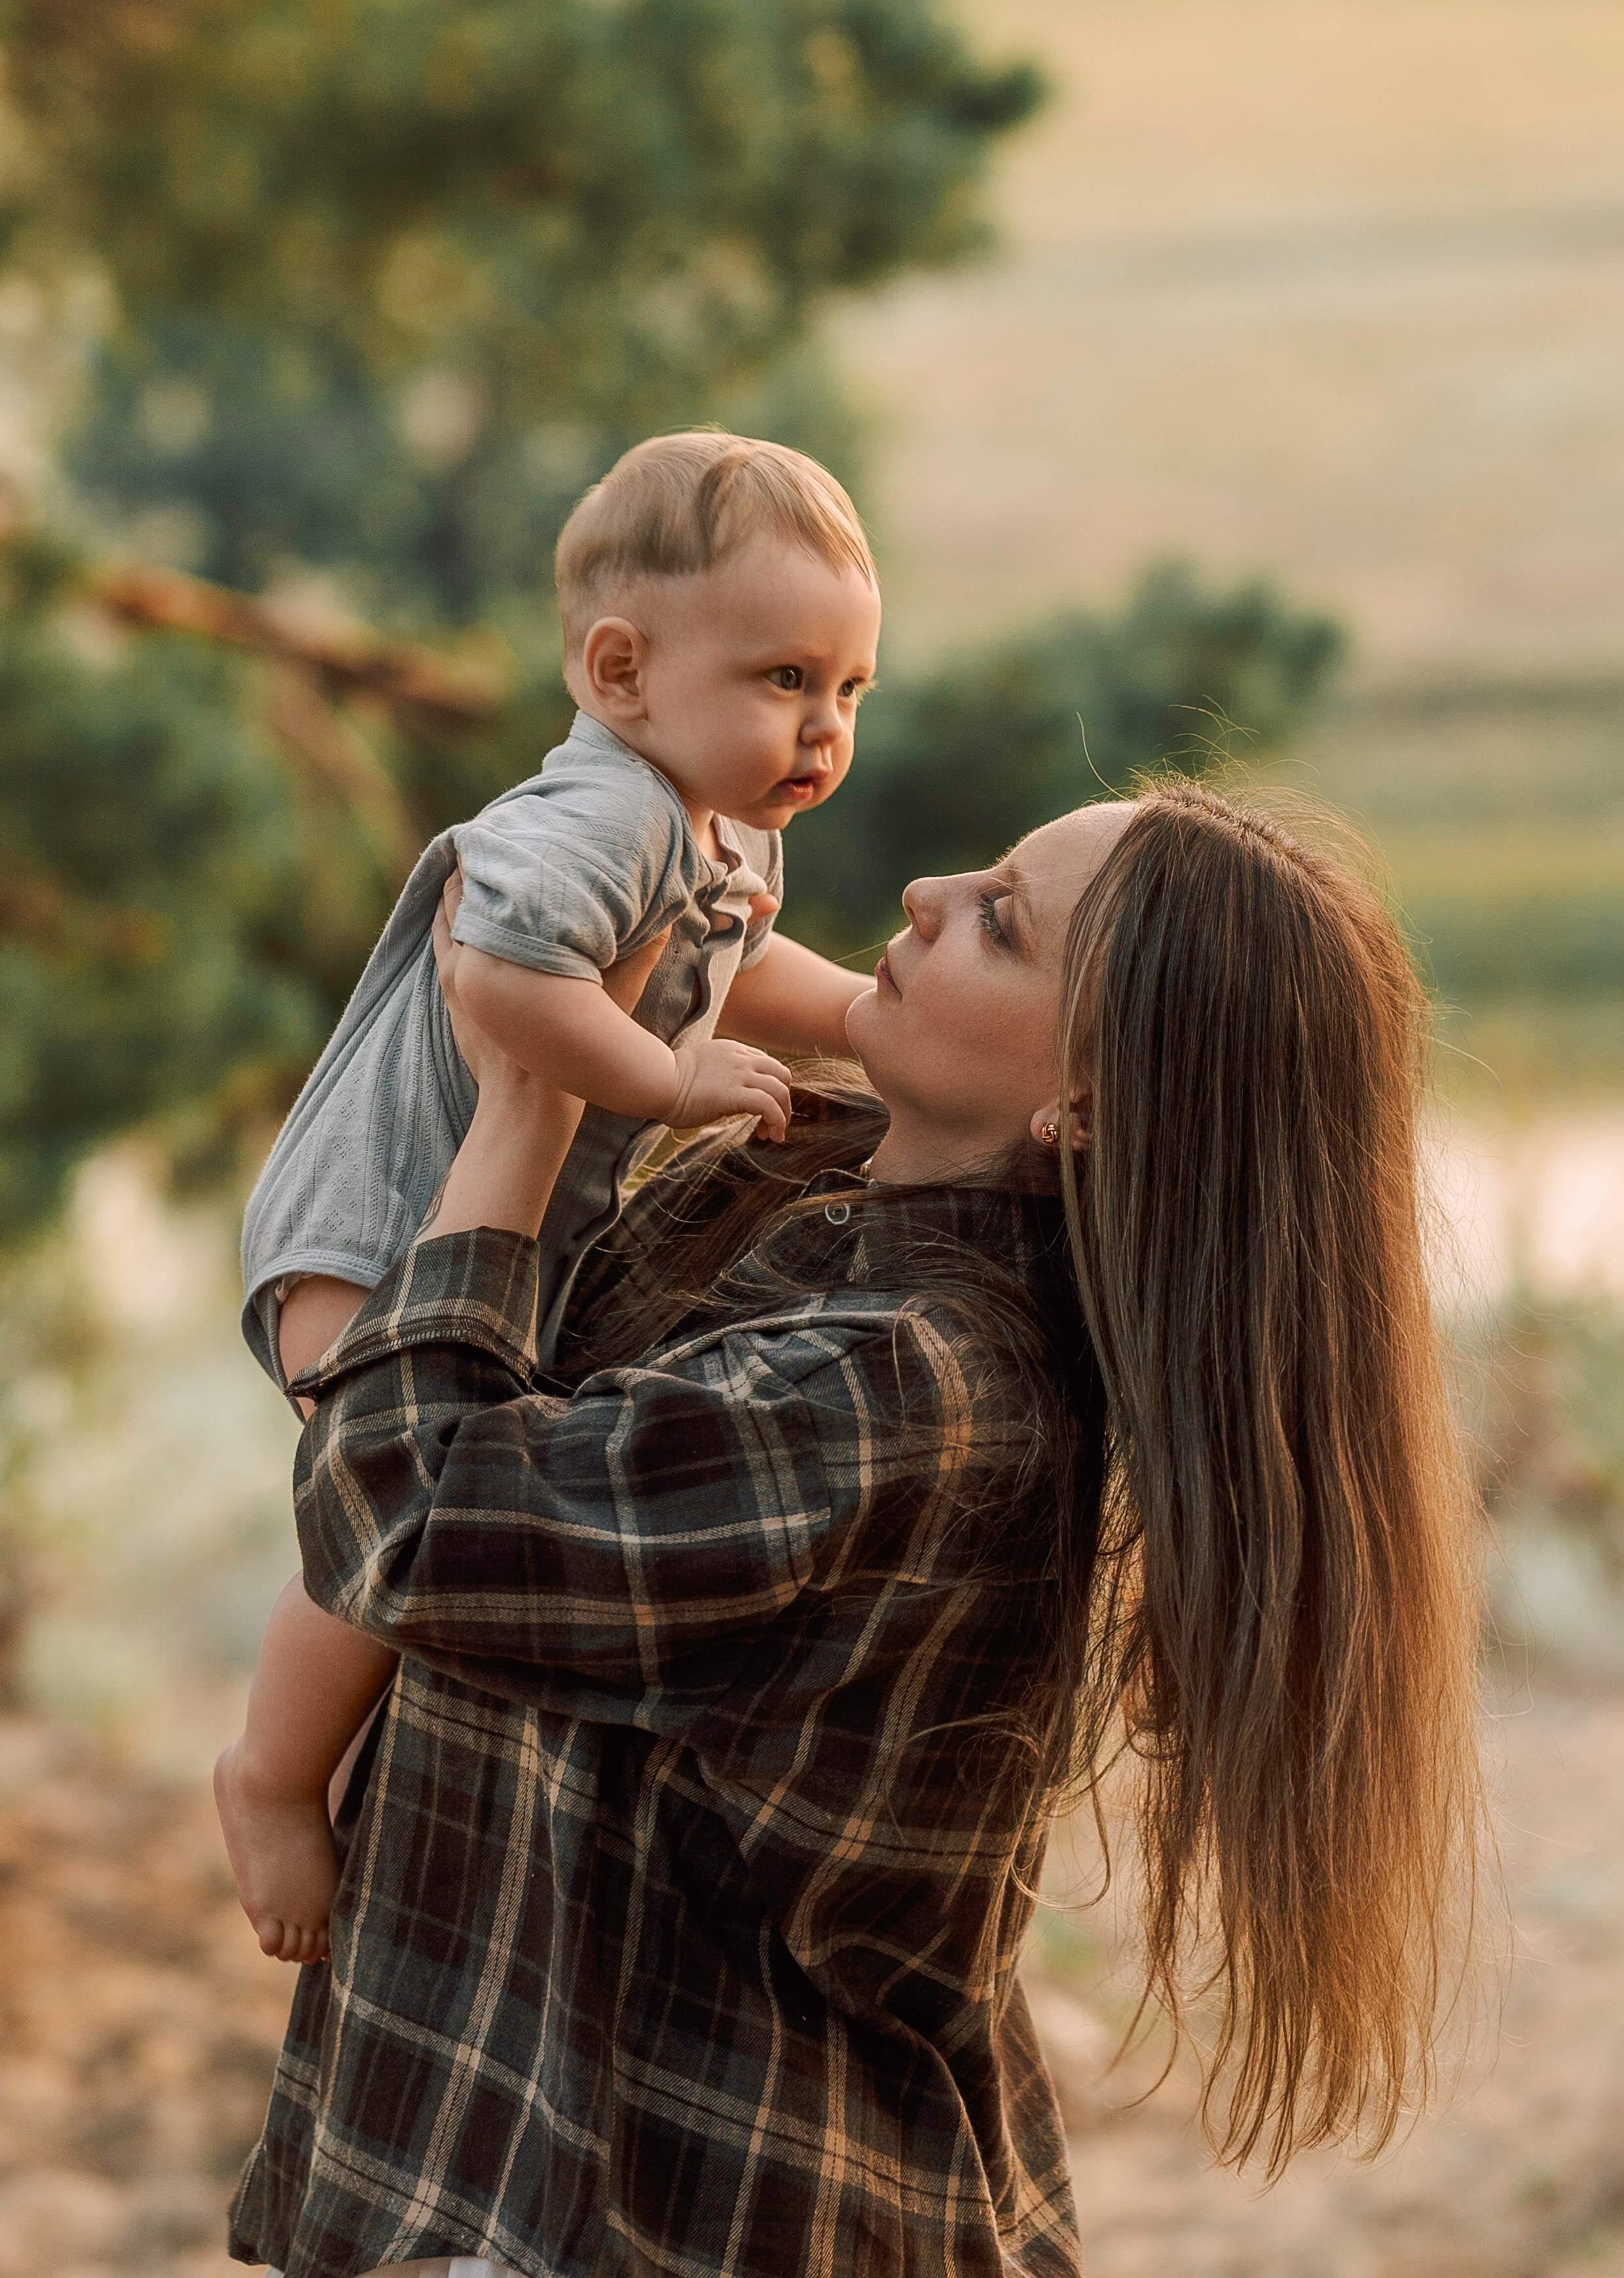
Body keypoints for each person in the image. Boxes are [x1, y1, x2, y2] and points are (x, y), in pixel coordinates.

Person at [229, 785, 1485, 2278]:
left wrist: (524, 1104)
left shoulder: (907, 1389)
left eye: (999, 923)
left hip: (673, 2202)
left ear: (1085, 1105)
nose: (925, 894)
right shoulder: (801, 1174)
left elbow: (407, 1524)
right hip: (529, 2157)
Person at [217, 431, 883, 1966]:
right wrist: (668, 1082)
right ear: (620, 672)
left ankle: (336, 1770)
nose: (824, 727)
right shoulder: (604, 818)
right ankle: (269, 1775)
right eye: (785, 679)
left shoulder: (718, 822)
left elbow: (726, 964)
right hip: (373, 1225)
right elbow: (508, 975)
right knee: (392, 1514)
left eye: (851, 689)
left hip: (468, 1236)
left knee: (436, 1520)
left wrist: (859, 1016)